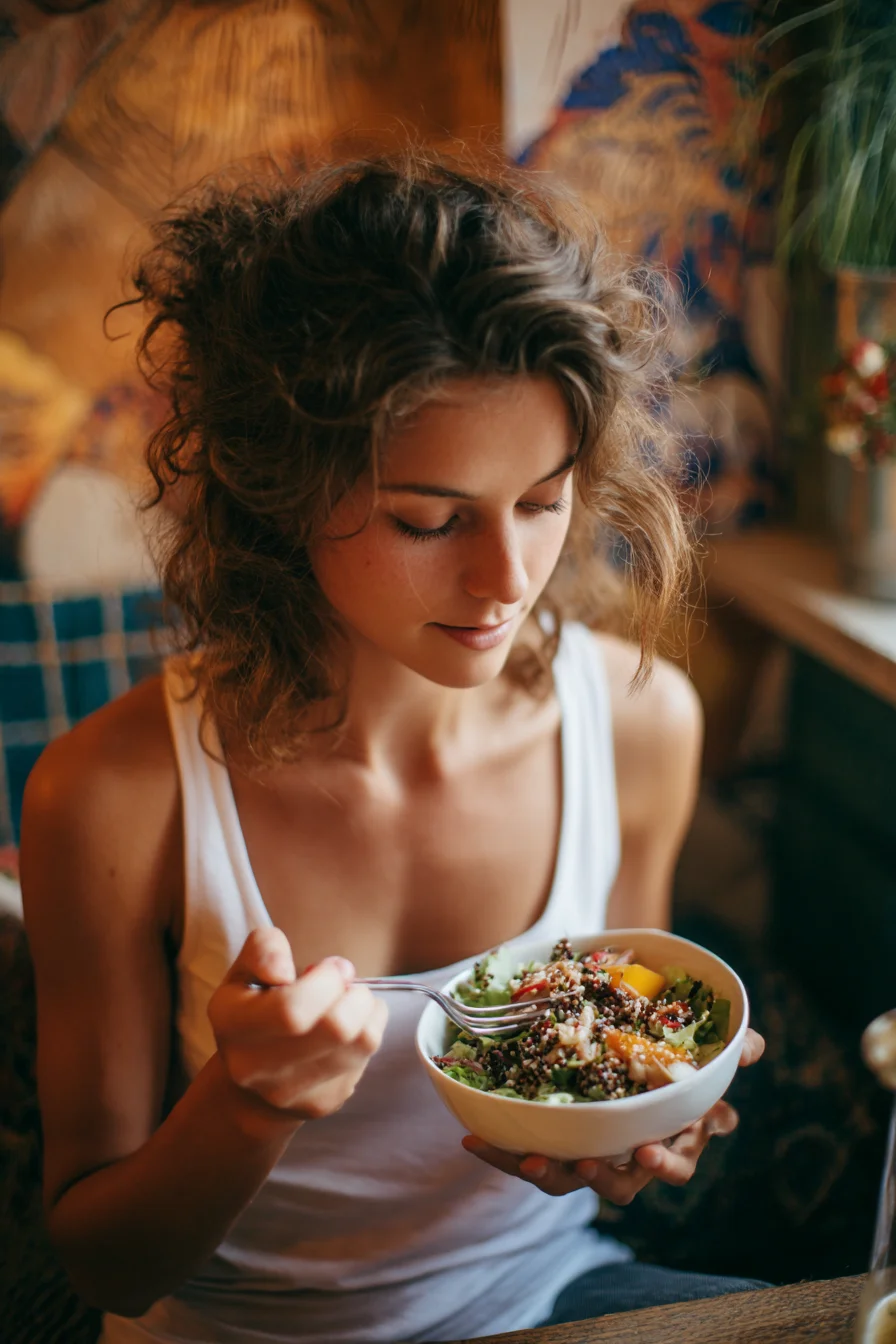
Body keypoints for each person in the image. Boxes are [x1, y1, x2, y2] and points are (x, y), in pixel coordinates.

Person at [20, 151, 766, 1344]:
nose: (504, 579)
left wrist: (641, 1123)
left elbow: (616, 1058)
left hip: (544, 1298)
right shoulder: (116, 793)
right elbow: (105, 1264)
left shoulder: (634, 724)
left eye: (540, 499)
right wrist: (248, 1105)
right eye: (428, 519)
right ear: (281, 487)